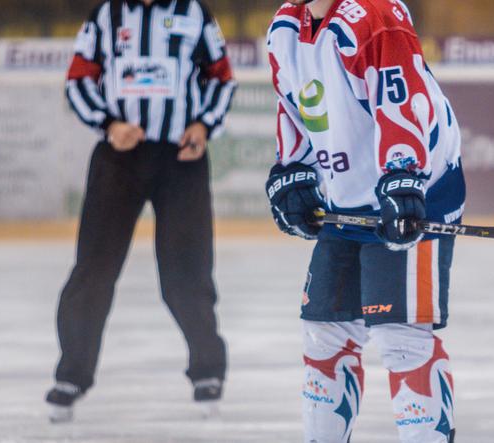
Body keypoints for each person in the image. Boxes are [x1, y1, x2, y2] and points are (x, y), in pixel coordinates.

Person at [265, 0, 465, 441]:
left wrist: (402, 176)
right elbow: (293, 107)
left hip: (415, 191)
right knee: (323, 332)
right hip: (346, 198)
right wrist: (292, 170)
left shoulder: (376, 15)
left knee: (401, 336)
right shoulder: (284, 27)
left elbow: (405, 99)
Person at [45, 0, 235, 422]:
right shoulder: (106, 15)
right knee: (93, 270)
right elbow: (78, 79)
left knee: (187, 273)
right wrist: (109, 124)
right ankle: (72, 375)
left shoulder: (194, 13)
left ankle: (208, 370)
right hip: (119, 159)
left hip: (181, 160)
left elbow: (222, 78)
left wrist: (203, 125)